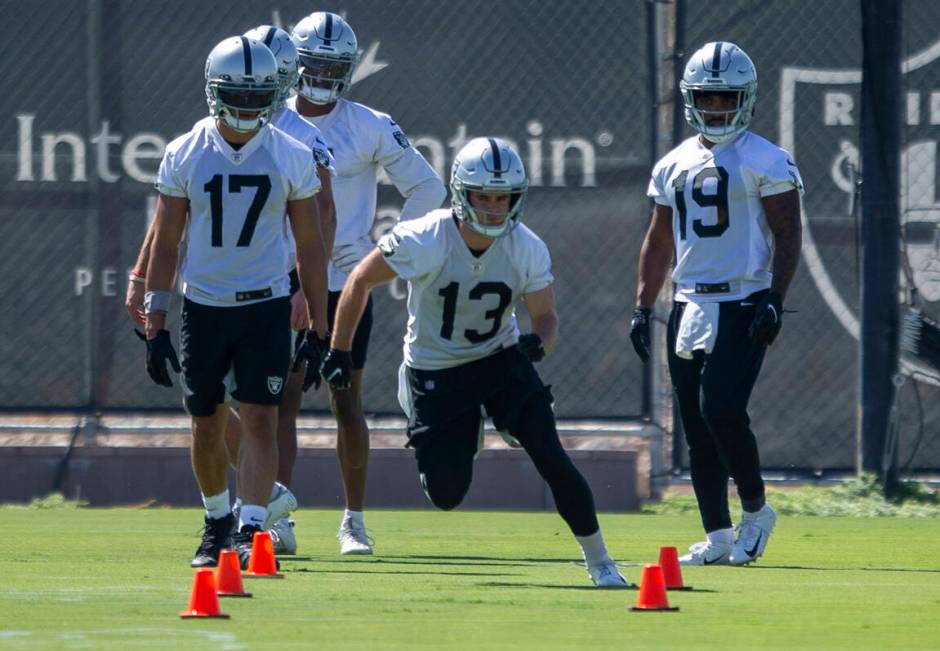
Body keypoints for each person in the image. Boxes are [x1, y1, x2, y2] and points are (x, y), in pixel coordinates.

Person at [321, 137, 628, 587]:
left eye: (501, 198)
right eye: (482, 196)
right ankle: (468, 429)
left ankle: (601, 561)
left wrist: (539, 344)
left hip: (497, 360)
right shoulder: (427, 236)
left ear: (516, 199)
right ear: (461, 194)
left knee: (551, 454)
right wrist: (339, 351)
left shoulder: (526, 246)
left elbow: (546, 318)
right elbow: (359, 280)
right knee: (446, 493)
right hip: (436, 371)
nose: (491, 208)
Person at [125, 26, 337, 561]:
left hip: (264, 302)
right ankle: (216, 521)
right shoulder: (184, 151)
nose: (245, 106)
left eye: (255, 96)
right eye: (236, 94)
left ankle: (249, 527)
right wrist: (155, 319)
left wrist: (319, 324)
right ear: (213, 91)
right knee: (206, 420)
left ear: (272, 95)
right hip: (204, 303)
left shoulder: (291, 153)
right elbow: (166, 243)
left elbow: (311, 247)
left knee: (262, 414)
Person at [629, 42, 803, 566]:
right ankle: (719, 535)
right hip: (688, 303)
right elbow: (658, 240)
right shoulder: (673, 163)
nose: (717, 108)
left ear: (746, 99)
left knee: (721, 409)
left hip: (743, 299)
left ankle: (756, 511)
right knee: (696, 427)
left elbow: (788, 230)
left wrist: (775, 295)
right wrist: (642, 305)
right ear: (691, 100)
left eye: (727, 97)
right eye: (708, 97)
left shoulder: (767, 159)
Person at [288, 11, 446, 555]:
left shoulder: (369, 123)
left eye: (336, 65)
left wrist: (386, 251)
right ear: (296, 63)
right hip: (284, 283)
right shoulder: (273, 120)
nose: (326, 74)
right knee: (277, 402)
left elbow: (427, 188)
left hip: (344, 287)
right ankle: (272, 517)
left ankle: (353, 520)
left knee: (346, 400)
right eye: (316, 62)